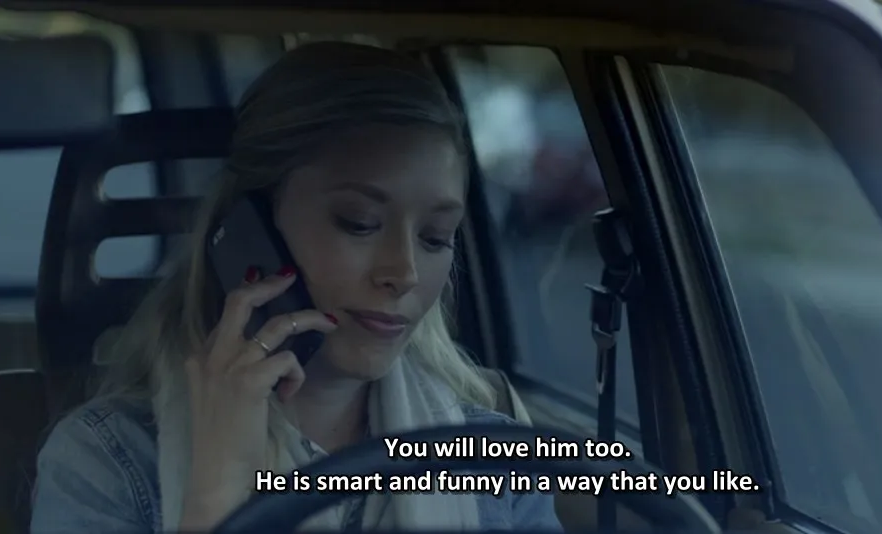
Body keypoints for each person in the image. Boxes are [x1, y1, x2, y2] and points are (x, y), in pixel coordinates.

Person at [30, 41, 563, 532]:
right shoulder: (104, 462)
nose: (403, 273)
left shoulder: (493, 459)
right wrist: (217, 489)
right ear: (251, 230)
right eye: (358, 223)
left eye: (435, 237)